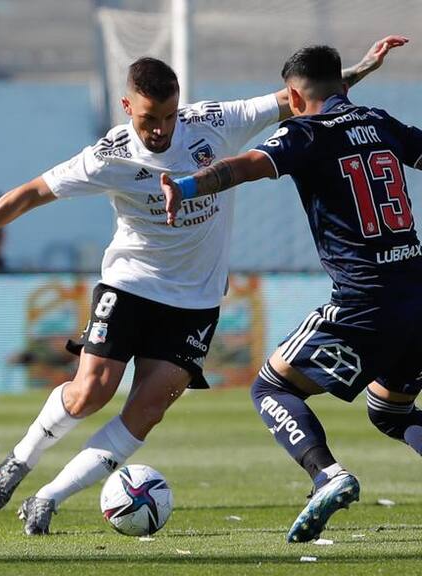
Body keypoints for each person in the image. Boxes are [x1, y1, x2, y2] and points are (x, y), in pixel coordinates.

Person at [0, 38, 404, 536]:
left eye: (170, 117)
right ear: (127, 106)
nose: (161, 129)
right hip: (130, 282)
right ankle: (19, 461)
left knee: (146, 410)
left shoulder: (214, 121)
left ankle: (47, 498)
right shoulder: (108, 155)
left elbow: (299, 98)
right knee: (91, 391)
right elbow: (32, 193)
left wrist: (360, 69)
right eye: (151, 118)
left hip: (195, 301)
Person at [160, 41, 421, 543]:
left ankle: (328, 475)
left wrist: (186, 186)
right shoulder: (381, 121)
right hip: (418, 289)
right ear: (343, 87)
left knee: (271, 387)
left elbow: (245, 166)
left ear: (293, 97)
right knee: (390, 411)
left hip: (366, 302)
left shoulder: (303, 133)